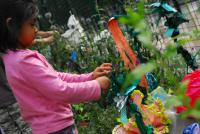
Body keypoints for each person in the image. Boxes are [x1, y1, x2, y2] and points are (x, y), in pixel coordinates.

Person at [0, 0, 112, 134]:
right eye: (31, 24)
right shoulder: (24, 61)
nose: (36, 29)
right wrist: (95, 86)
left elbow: (55, 76)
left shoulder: (13, 58)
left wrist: (89, 77)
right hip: (57, 129)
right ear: (11, 25)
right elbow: (60, 90)